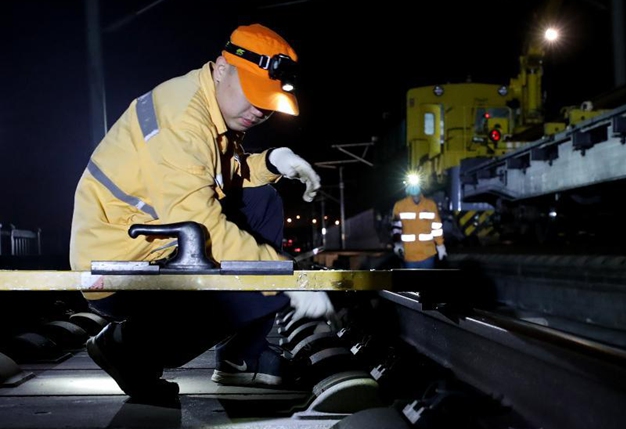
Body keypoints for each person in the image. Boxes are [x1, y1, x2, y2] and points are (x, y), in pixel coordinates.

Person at [69, 23, 334, 402]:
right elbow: (204, 227)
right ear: (223, 68)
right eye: (254, 94)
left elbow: (223, 177)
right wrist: (283, 278)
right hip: (117, 269)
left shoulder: (209, 106)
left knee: (263, 201)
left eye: (268, 102)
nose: (260, 110)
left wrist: (273, 162)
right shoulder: (183, 121)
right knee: (254, 288)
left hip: (154, 245)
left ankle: (241, 358)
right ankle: (128, 347)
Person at [391, 181, 447, 268]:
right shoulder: (400, 206)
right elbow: (396, 228)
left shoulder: (430, 205)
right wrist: (397, 244)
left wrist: (440, 245)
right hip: (409, 255)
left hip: (427, 254)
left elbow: (436, 227)